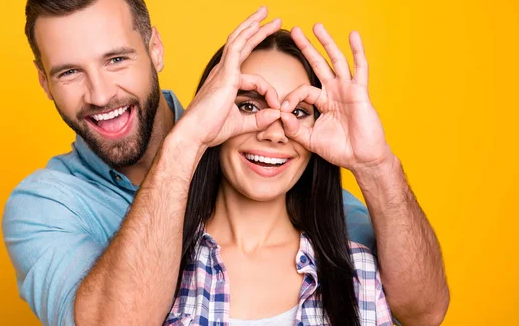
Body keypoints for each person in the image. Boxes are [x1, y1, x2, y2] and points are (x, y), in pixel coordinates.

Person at [2, 0, 449, 326]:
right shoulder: (44, 205)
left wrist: (375, 165)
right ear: (45, 83)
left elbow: (422, 308)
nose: (100, 95)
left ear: (155, 48)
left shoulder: (259, 163)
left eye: (116, 59)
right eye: (68, 72)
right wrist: (187, 142)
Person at [166, 28, 392, 325]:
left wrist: (374, 163)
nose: (274, 134)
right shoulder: (160, 268)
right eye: (248, 106)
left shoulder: (359, 276)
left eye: (298, 112)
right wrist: (185, 140)